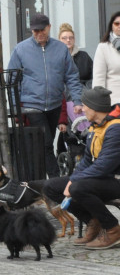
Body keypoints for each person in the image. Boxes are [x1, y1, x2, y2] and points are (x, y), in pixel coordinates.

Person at [30, 87, 120, 249]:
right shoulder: (96, 126)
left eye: (85, 105)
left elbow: (104, 165)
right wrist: (73, 178)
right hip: (101, 178)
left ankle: (113, 228)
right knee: (51, 187)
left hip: (115, 180)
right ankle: (93, 221)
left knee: (78, 188)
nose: (82, 109)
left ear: (95, 108)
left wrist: (74, 182)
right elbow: (87, 160)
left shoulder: (115, 128)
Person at [8, 12, 84, 178]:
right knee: (46, 143)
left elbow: (71, 76)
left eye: (42, 30)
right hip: (31, 106)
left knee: (42, 145)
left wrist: (77, 100)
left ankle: (40, 180)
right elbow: (12, 80)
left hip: (54, 104)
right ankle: (56, 181)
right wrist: (15, 107)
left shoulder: (60, 49)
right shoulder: (21, 49)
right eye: (35, 31)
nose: (39, 34)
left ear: (49, 28)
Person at [93, 12, 120, 105]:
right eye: (117, 23)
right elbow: (98, 79)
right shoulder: (103, 47)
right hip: (113, 102)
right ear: (111, 25)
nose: (119, 26)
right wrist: (99, 103)